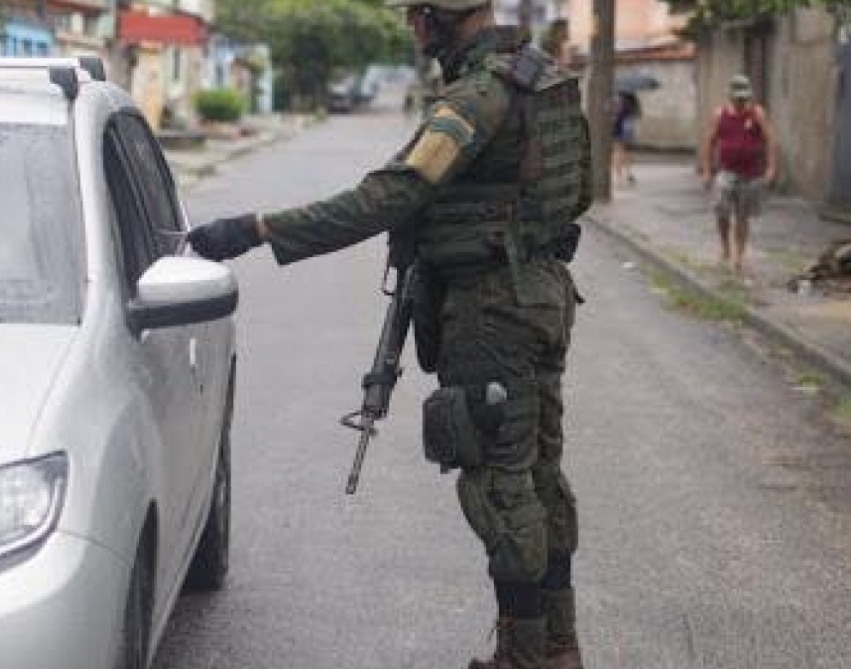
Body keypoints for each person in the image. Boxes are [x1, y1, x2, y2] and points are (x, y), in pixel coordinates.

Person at [187, 2, 590, 668]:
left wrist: (257, 229)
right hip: (542, 295)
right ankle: (558, 646)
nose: (412, 28)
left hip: (492, 309)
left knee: (500, 486)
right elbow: (577, 193)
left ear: (444, 17)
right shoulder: (543, 80)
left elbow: (386, 198)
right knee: (540, 478)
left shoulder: (478, 97)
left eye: (418, 15)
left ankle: (524, 655)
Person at [699, 74, 778, 275]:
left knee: (743, 216)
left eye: (744, 98)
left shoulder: (757, 113)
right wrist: (707, 171)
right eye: (738, 98)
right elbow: (709, 142)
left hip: (751, 174)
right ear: (730, 96)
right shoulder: (720, 114)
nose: (741, 102)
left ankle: (740, 255)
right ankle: (725, 248)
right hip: (727, 172)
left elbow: (770, 140)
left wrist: (771, 168)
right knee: (721, 209)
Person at [611, 91, 640, 185]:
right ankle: (627, 174)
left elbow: (613, 115)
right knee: (625, 152)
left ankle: (619, 177)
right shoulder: (632, 100)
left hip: (618, 129)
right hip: (627, 131)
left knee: (617, 152)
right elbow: (637, 115)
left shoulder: (617, 99)